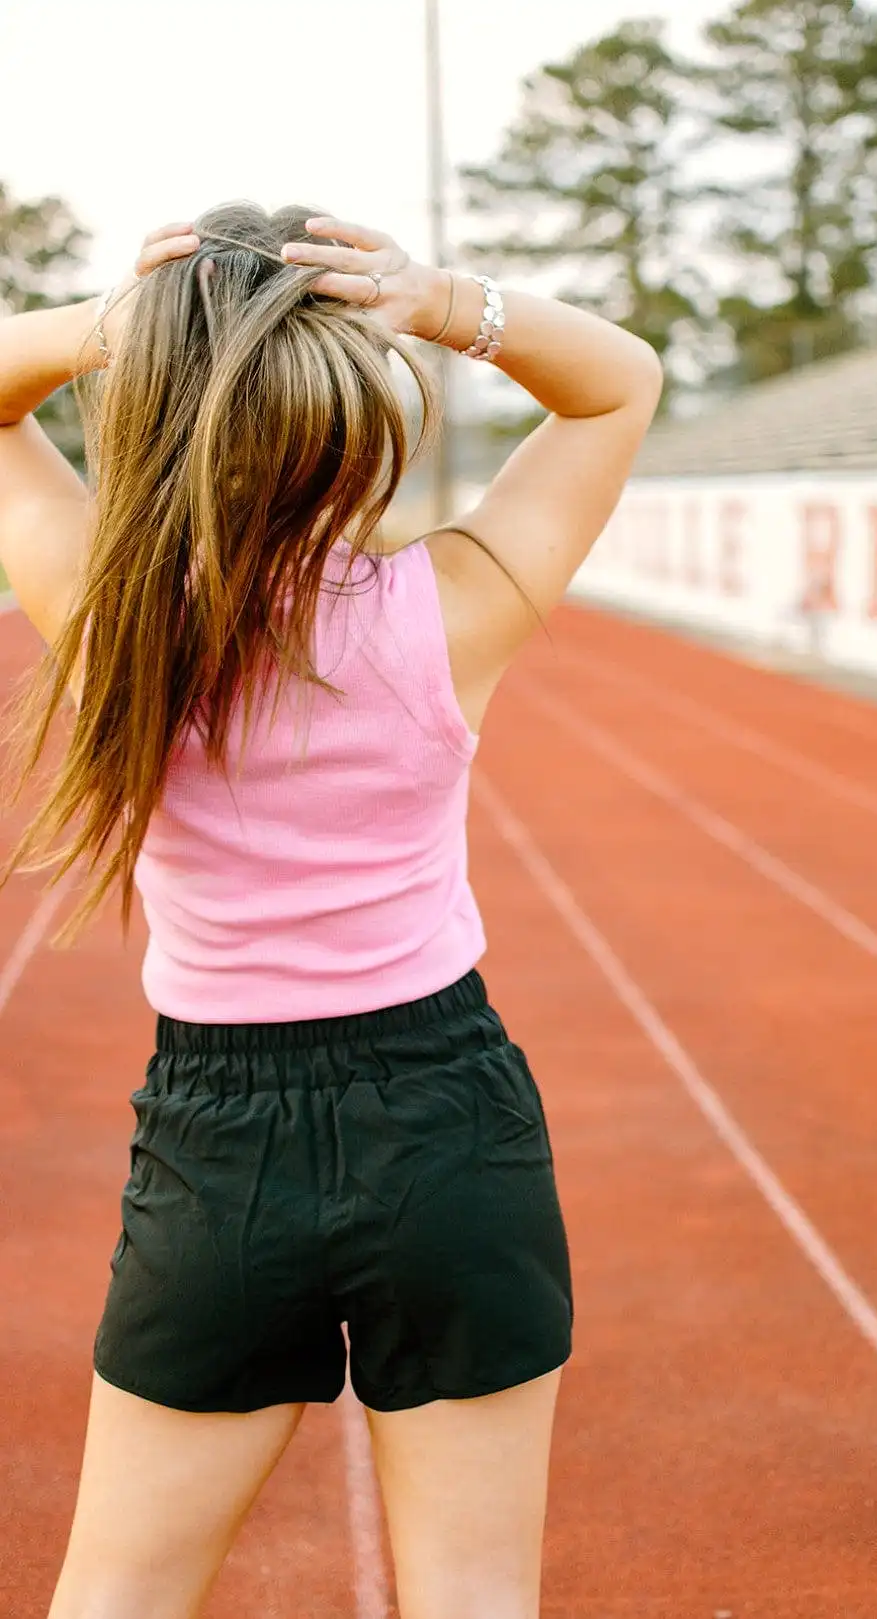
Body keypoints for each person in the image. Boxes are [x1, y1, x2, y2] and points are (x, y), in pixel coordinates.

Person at [0, 202, 662, 1619]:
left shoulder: (112, 621)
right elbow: (621, 380)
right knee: (474, 1598)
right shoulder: (453, 604)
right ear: (350, 419)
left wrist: (112, 331)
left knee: (113, 1595)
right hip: (448, 1120)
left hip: (217, 1142)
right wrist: (443, 303)